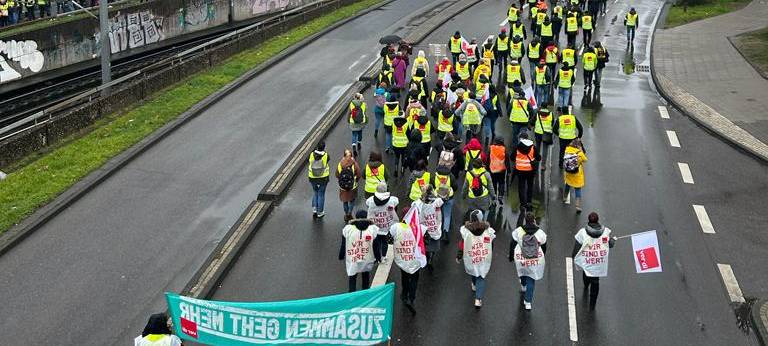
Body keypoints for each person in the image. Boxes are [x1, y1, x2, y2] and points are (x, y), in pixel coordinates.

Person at [571, 212, 615, 310]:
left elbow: (577, 246)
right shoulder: (605, 232)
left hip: (587, 260)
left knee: (586, 272)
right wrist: (612, 241)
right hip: (598, 263)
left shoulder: (582, 233)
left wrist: (573, 256)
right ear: (598, 220)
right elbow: (610, 245)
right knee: (596, 281)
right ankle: (592, 304)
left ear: (588, 220)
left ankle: (586, 284)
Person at [457, 210, 496, 308]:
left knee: (474, 269)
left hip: (471, 256)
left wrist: (459, 255)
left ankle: (474, 284)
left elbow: (462, 244)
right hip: (483, 256)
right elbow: (491, 243)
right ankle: (478, 299)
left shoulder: (465, 231)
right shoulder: (488, 230)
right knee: (481, 275)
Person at [509, 212, 547, 310]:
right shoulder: (540, 232)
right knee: (531, 277)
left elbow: (512, 243)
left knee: (523, 271)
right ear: (534, 220)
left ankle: (523, 285)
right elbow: (544, 245)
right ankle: (528, 302)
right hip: (535, 258)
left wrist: (510, 256)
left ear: (525, 220)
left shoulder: (519, 231)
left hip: (521, 257)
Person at [389, 207, 422, 313]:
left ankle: (404, 294)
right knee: (414, 279)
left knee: (405, 276)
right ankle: (411, 298)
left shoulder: (396, 227)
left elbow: (389, 239)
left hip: (403, 258)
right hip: (415, 259)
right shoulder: (419, 227)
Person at [340, 210, 381, 292]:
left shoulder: (348, 229)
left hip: (353, 258)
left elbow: (344, 244)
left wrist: (341, 255)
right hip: (367, 257)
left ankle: (352, 295)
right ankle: (365, 293)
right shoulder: (372, 229)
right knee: (365, 275)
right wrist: (378, 257)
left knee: (352, 276)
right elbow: (376, 246)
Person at [412, 185, 443, 268]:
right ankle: (431, 257)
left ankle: (426, 256)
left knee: (425, 244)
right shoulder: (437, 201)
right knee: (435, 244)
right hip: (435, 227)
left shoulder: (417, 203)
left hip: (424, 228)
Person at [366, 182, 398, 261]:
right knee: (385, 242)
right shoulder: (392, 200)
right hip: (386, 226)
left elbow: (367, 204)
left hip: (375, 226)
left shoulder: (370, 200)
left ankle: (376, 257)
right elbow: (397, 202)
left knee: (376, 242)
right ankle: (383, 256)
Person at [511, 133, 540, 209]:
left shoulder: (517, 148)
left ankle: (522, 204)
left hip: (520, 170)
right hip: (530, 170)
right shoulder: (533, 147)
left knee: (521, 187)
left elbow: (512, 158)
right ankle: (529, 202)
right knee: (530, 186)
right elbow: (539, 158)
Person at [336, 149, 362, 221]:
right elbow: (359, 174)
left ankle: (346, 213)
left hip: (343, 187)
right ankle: (350, 213)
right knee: (352, 200)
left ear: (344, 156)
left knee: (345, 201)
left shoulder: (340, 164)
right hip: (352, 186)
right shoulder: (354, 164)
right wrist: (356, 180)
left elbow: (337, 174)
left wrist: (341, 180)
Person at [562, 138, 588, 212]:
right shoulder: (579, 153)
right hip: (577, 173)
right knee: (578, 189)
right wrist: (581, 150)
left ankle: (564, 197)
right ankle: (577, 206)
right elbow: (585, 160)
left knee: (568, 184)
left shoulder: (567, 149)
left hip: (569, 172)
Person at [433, 165, 457, 242]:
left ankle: (437, 230)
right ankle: (445, 232)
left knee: (437, 214)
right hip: (448, 197)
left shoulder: (435, 176)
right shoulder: (450, 176)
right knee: (447, 215)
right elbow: (455, 187)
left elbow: (431, 186)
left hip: (437, 197)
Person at [308, 141, 330, 218]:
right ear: (324, 147)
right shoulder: (326, 155)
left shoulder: (311, 154)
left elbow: (310, 162)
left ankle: (314, 209)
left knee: (315, 192)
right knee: (321, 194)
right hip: (323, 177)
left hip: (312, 176)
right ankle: (320, 212)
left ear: (317, 147)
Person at [488, 137, 509, 205]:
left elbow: (488, 159)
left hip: (492, 169)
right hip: (501, 170)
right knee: (501, 183)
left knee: (493, 183)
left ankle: (494, 198)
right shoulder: (504, 149)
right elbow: (507, 161)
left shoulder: (491, 148)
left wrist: (487, 168)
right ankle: (500, 196)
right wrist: (509, 170)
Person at [533, 107, 554, 171]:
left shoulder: (537, 113)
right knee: (545, 149)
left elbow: (533, 121)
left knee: (537, 147)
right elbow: (552, 123)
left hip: (538, 133)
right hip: (546, 134)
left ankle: (536, 161)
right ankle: (543, 165)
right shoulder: (550, 114)